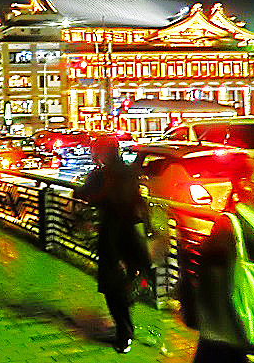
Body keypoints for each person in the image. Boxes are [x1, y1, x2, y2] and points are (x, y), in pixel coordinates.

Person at [192, 158, 254, 362]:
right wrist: (242, 345)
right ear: (245, 184)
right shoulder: (228, 228)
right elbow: (215, 295)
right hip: (231, 344)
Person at [73, 136, 151, 354]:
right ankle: (128, 321)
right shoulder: (128, 171)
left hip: (112, 234)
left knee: (112, 286)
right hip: (132, 233)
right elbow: (138, 199)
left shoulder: (101, 175)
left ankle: (124, 333)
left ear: (102, 152)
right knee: (128, 279)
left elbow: (86, 194)